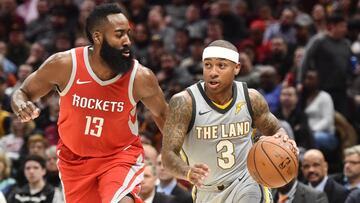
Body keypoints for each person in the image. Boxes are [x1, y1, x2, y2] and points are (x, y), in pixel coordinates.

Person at [11, 3, 167, 203]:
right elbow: (22, 92)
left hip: (119, 156)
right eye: (119, 35)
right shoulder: (65, 64)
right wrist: (21, 106)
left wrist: (181, 156)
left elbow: (163, 115)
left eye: (128, 33)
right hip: (73, 160)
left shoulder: (140, 77)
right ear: (98, 37)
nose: (127, 41)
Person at [161, 40, 298, 203]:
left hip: (246, 182)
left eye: (221, 65)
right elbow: (168, 155)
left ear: (237, 68)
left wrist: (284, 141)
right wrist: (187, 172)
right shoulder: (185, 103)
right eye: (208, 65)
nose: (213, 72)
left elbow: (275, 130)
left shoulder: (251, 98)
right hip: (207, 190)